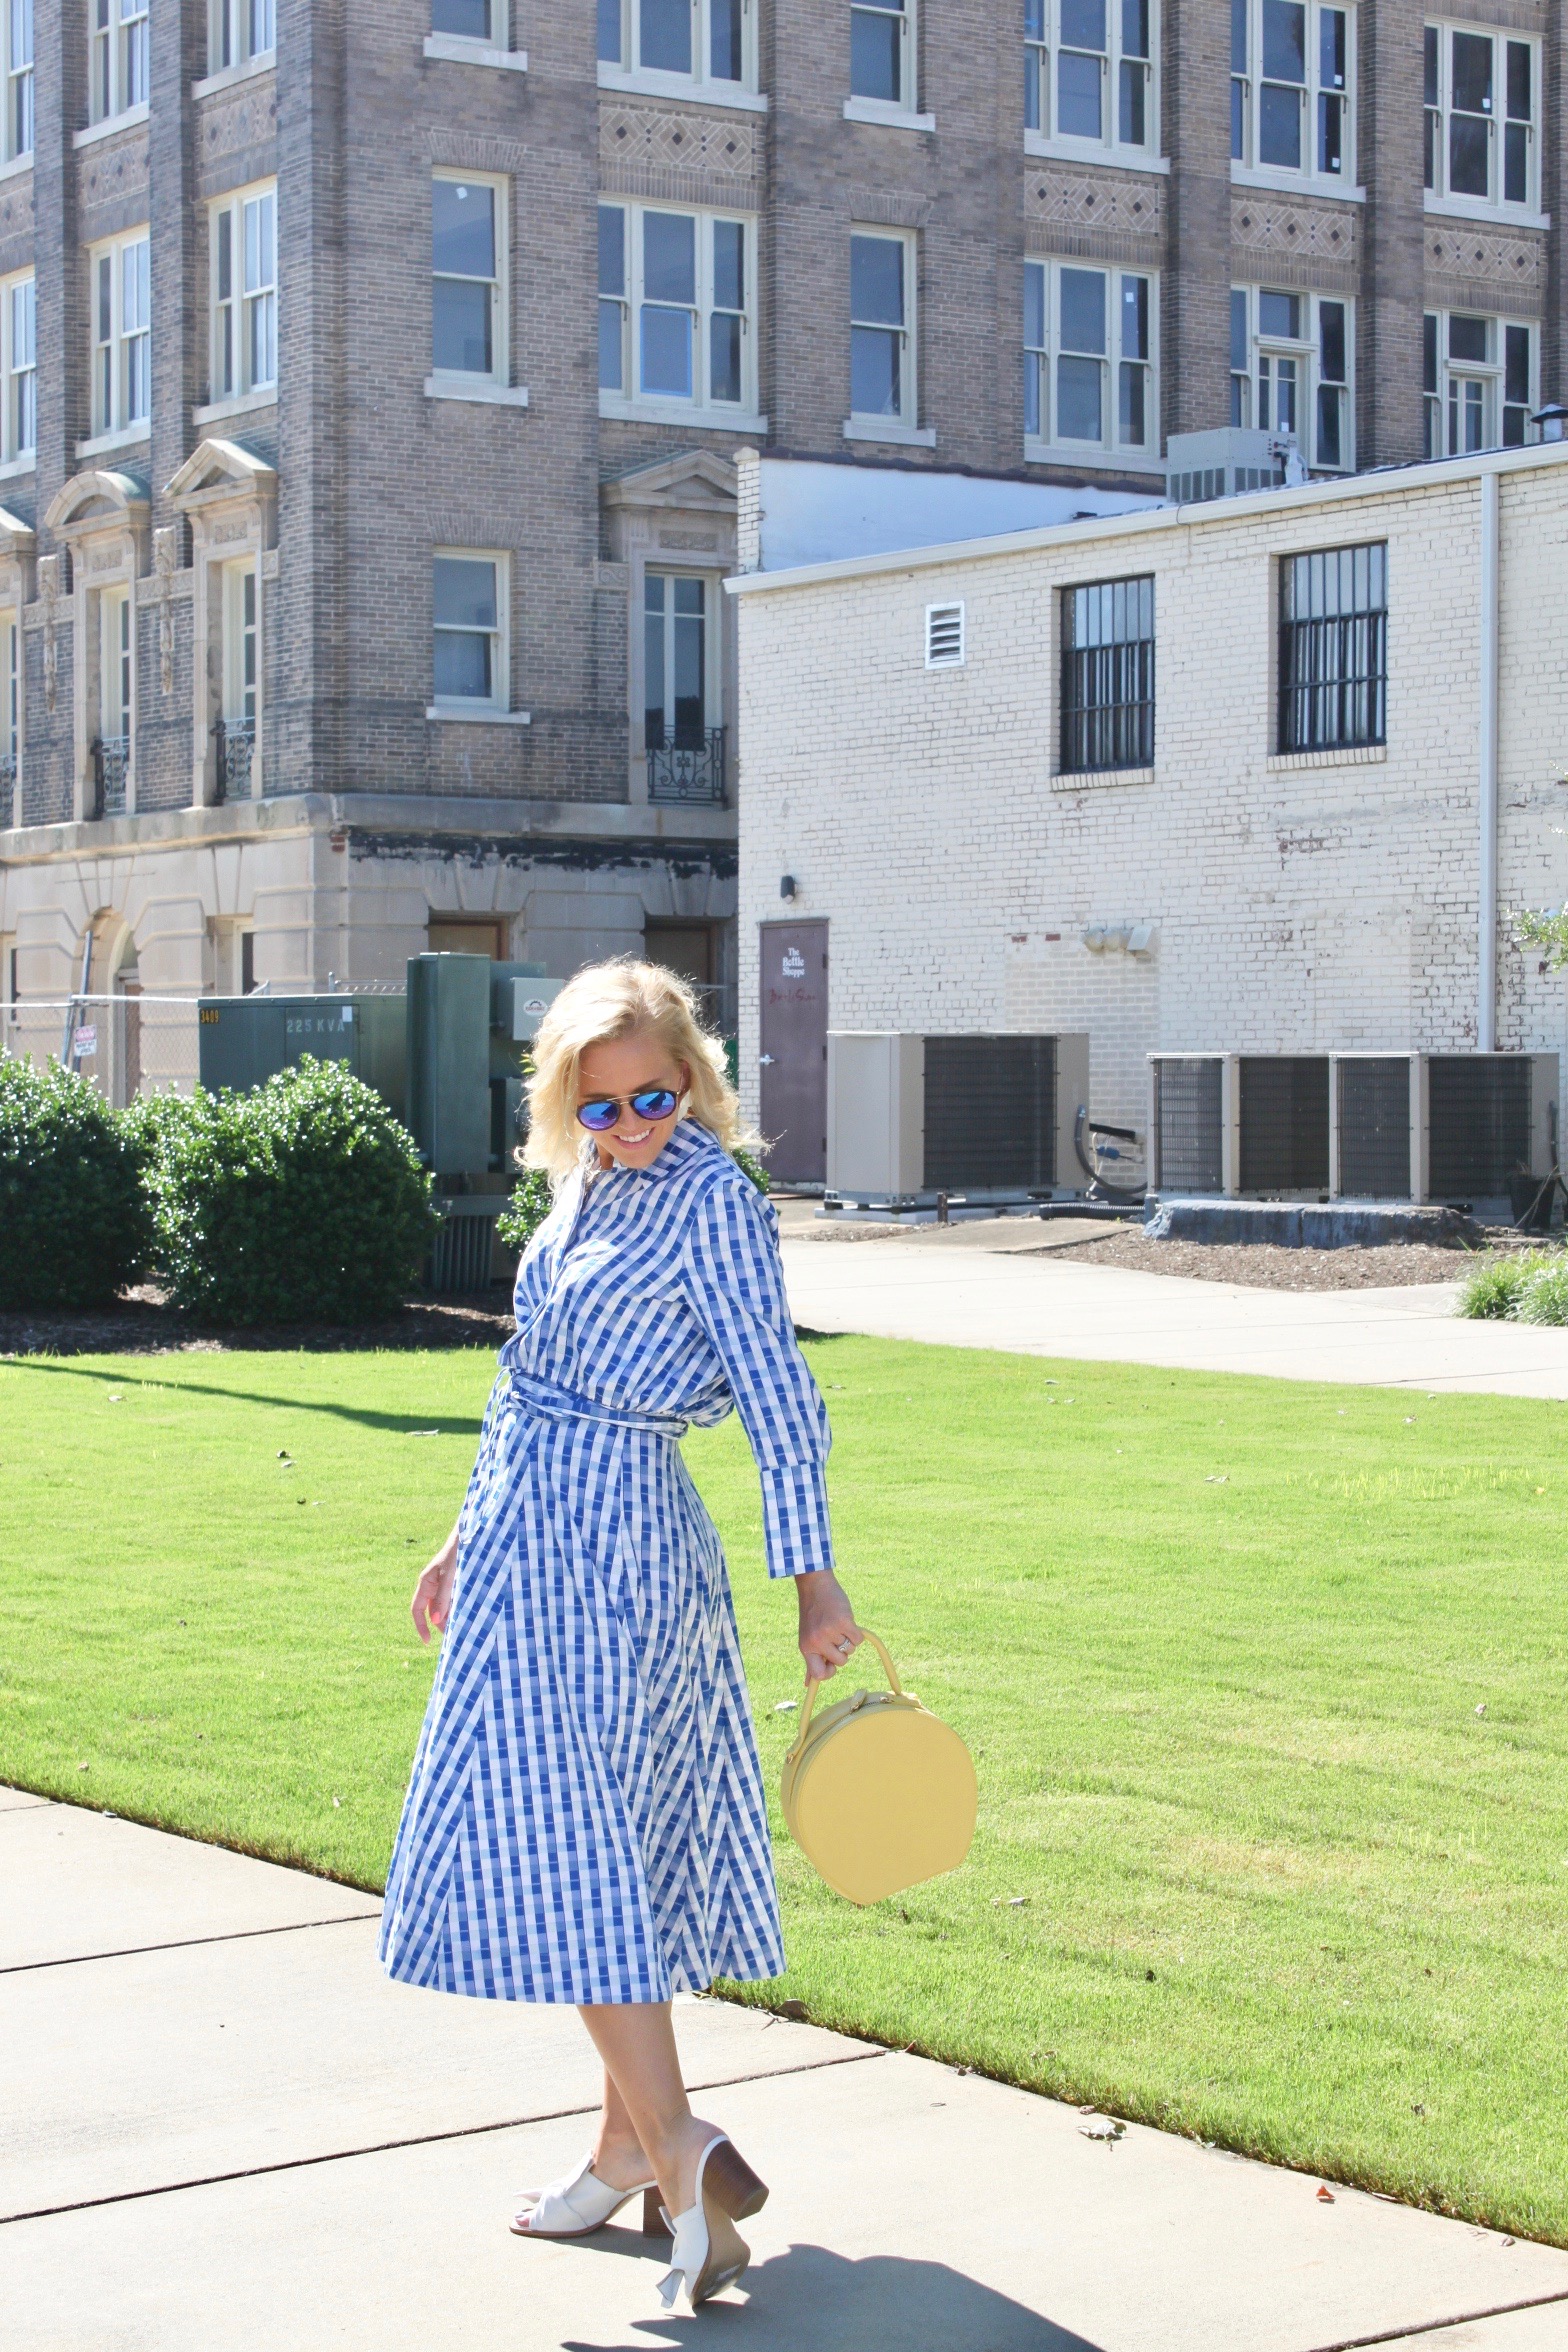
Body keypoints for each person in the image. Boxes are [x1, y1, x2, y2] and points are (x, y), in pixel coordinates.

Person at [379, 957, 863, 2312]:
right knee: (608, 1841)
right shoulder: (584, 1188)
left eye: (657, 1097)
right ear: (563, 1106)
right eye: (603, 1108)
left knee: (562, 1844)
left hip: (617, 1546)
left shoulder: (710, 1199)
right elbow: (525, 1382)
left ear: (694, 1081)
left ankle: (680, 2146)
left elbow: (781, 1399)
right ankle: (625, 2161)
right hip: (532, 1532)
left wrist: (814, 1585)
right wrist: (465, 1533)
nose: (634, 1126)